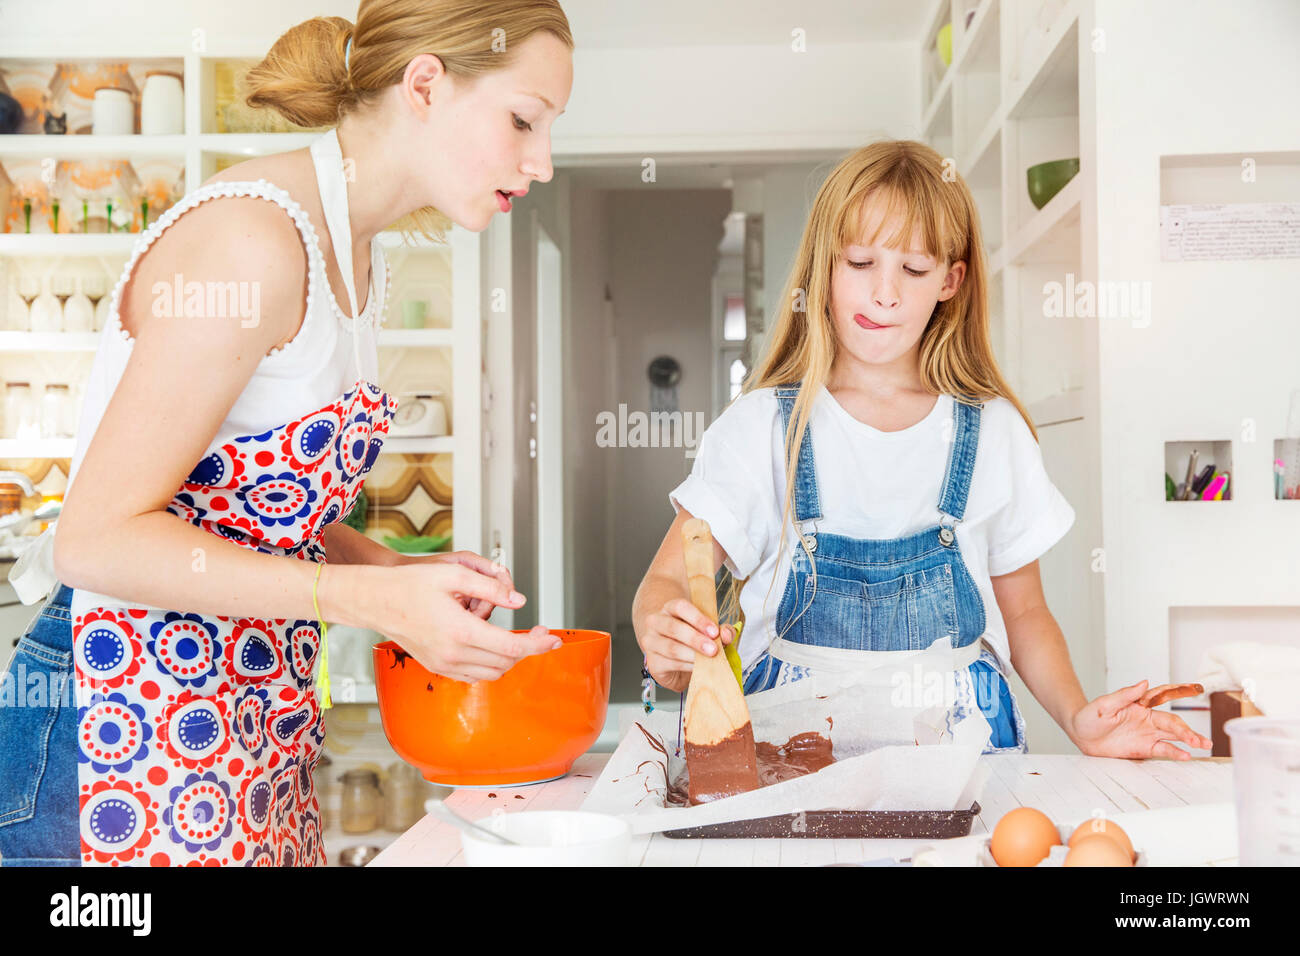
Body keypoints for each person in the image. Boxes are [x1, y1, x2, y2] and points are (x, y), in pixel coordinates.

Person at [0, 0, 574, 867]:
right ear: (426, 84)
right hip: (113, 722)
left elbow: (238, 507)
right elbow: (93, 540)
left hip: (239, 717)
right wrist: (367, 602)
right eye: (524, 119)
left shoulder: (357, 253)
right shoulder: (254, 241)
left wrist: (395, 572)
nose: (544, 161)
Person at [633, 140, 1213, 760]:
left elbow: (1026, 615)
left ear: (950, 280)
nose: (885, 293)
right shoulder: (762, 428)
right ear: (823, 266)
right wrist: (663, 621)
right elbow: (666, 579)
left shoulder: (993, 431)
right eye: (859, 262)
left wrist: (1077, 718)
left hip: (962, 756)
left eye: (912, 270)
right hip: (788, 753)